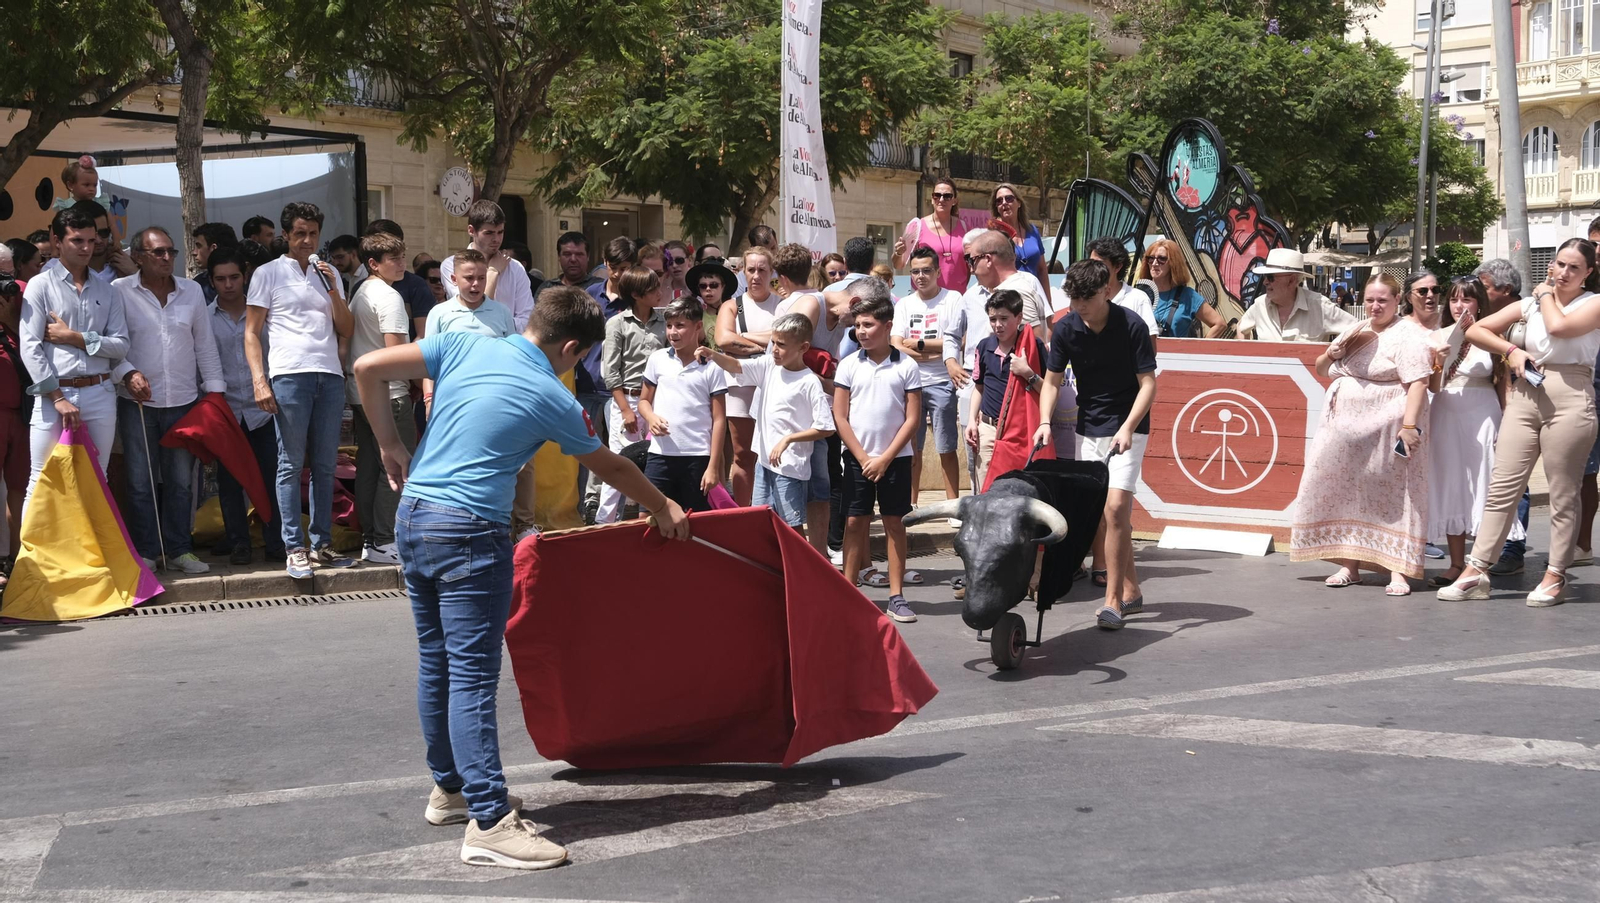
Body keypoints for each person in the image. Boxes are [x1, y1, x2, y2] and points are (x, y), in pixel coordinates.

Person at [352, 285, 691, 872]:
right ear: (570, 346)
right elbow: (609, 463)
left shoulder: (464, 344)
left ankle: (451, 792)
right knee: (472, 679)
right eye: (579, 358)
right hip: (468, 530)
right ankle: (489, 821)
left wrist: (389, 445)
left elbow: (366, 366)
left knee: (438, 662)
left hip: (416, 515)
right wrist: (663, 507)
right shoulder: (552, 395)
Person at [1438, 238, 1600, 607]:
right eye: (1559, 264)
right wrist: (1510, 350)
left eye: (1574, 267)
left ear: (1589, 273)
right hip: (1526, 391)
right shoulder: (1529, 304)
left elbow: (1559, 328)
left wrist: (1542, 296)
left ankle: (1556, 573)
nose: (1563, 272)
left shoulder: (1592, 303)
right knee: (1502, 485)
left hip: (1571, 394)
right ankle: (1476, 569)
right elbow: (1474, 329)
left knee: (1563, 493)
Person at [1291, 273, 1432, 596]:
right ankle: (1349, 564)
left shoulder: (1408, 335)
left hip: (1386, 426)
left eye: (1383, 299)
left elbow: (1418, 385)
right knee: (1348, 492)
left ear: (1398, 300)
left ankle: (1398, 570)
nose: (1375, 305)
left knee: (1394, 494)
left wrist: (1409, 427)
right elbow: (1322, 369)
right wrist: (1332, 354)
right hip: (1344, 429)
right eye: (1370, 299)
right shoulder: (1356, 329)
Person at [1035, 259, 1159, 628]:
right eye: (1072, 299)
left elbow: (1149, 384)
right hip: (1088, 429)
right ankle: (1133, 590)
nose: (1078, 306)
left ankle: (1113, 601)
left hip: (1128, 427)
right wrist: (1044, 421)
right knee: (1108, 514)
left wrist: (1127, 427)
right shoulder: (1066, 327)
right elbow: (1052, 380)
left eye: (1085, 298)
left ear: (1106, 290)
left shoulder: (1132, 325)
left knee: (1116, 507)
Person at [245, 201, 357, 580]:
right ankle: (294, 547)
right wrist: (260, 380)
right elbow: (251, 333)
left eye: (312, 233)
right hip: (289, 374)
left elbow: (346, 328)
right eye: (299, 234)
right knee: (290, 463)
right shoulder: (267, 273)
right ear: (286, 235)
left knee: (326, 463)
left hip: (329, 376)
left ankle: (321, 543)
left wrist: (333, 290)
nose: (306, 240)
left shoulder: (329, 274)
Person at [111, 226, 226, 575]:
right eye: (158, 252)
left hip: (183, 400)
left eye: (170, 252)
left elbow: (204, 345)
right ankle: (146, 550)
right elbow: (110, 343)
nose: (166, 258)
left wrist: (216, 391)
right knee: (140, 479)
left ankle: (179, 549)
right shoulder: (118, 292)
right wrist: (128, 372)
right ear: (138, 257)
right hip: (136, 402)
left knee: (181, 481)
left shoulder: (191, 291)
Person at [20, 205, 129, 505]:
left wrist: (76, 338)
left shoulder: (108, 291)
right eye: (77, 240)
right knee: (42, 480)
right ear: (57, 240)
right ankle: (33, 554)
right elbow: (30, 347)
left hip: (100, 392)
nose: (86, 248)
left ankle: (90, 553)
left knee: (96, 479)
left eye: (91, 241)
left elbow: (121, 346)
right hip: (53, 395)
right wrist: (57, 398)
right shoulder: (40, 286)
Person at [834, 293, 922, 623]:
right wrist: (863, 457)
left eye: (868, 325)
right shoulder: (848, 365)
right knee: (855, 522)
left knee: (894, 524)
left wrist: (885, 458)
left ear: (887, 327)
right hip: (858, 460)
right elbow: (840, 417)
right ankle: (846, 593)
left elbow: (912, 418)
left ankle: (896, 596)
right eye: (857, 325)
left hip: (896, 460)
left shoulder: (907, 366)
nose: (861, 331)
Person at [702, 311, 833, 528]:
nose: (774, 350)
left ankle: (795, 562)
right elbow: (736, 366)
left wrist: (788, 440)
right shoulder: (769, 365)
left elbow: (825, 427)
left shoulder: (809, 381)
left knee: (791, 527)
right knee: (763, 522)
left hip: (790, 468)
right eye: (773, 343)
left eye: (781, 345)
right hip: (764, 463)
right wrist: (714, 355)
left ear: (803, 348)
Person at [1426, 277, 1510, 587]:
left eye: (1467, 300)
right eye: (1454, 300)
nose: (1460, 306)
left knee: (1485, 483)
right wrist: (1437, 360)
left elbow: (1504, 384)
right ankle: (1456, 563)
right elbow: (1434, 386)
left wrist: (1507, 422)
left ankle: (1481, 561)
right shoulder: (1439, 336)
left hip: (1483, 412)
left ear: (1479, 303)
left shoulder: (1492, 335)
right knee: (1453, 485)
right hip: (1447, 411)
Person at [207, 248, 285, 565]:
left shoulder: (264, 313)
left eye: (234, 277)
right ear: (211, 281)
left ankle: (276, 542)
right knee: (229, 483)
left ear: (245, 276)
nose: (228, 285)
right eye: (221, 279)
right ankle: (239, 542)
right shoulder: (205, 317)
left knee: (272, 478)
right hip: (226, 411)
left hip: (264, 409)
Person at [347, 231, 417, 565]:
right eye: (394, 259)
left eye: (403, 256)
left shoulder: (361, 291)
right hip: (390, 394)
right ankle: (385, 539)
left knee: (371, 469)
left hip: (362, 394)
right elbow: (397, 352)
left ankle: (372, 540)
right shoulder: (388, 297)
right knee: (399, 466)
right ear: (374, 264)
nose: (402, 263)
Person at [638, 297, 726, 511]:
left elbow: (719, 419)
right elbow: (643, 401)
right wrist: (650, 417)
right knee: (649, 516)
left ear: (697, 326)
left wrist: (713, 466)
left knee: (696, 522)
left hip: (697, 457)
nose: (673, 332)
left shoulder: (712, 367)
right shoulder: (657, 359)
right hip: (659, 455)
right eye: (669, 326)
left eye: (680, 325)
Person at [597, 266, 667, 523]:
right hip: (627, 399)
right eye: (653, 289)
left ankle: (648, 516)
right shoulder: (617, 324)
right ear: (637, 294)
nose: (659, 292)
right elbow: (611, 372)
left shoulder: (665, 322)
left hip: (658, 401)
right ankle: (605, 522)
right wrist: (625, 409)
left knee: (655, 460)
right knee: (619, 463)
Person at [575, 237, 637, 523]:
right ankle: (585, 507)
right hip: (587, 383)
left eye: (625, 267)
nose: (619, 273)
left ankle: (613, 509)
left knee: (617, 451)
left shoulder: (635, 301)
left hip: (619, 390)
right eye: (614, 267)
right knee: (586, 447)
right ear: (605, 262)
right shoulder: (590, 294)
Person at [893, 246, 962, 503]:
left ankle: (952, 504)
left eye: (926, 270)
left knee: (947, 447)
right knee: (913, 447)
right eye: (915, 272)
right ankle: (910, 504)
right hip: (911, 384)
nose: (920, 276)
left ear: (938, 271)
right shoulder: (904, 305)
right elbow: (896, 345)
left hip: (944, 381)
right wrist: (937, 350)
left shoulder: (953, 299)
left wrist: (918, 345)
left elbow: (958, 341)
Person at [716, 247, 784, 505]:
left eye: (762, 270)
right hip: (739, 386)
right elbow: (723, 339)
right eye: (751, 270)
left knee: (773, 453)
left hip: (773, 385)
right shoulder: (731, 305)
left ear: (771, 272)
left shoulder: (782, 304)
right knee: (743, 455)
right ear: (743, 272)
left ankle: (773, 513)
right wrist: (765, 344)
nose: (756, 276)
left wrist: (742, 339)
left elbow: (785, 339)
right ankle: (744, 514)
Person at [966, 288, 1043, 490]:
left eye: (1004, 318)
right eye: (993, 319)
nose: (998, 325)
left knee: (1019, 489)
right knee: (986, 489)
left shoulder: (1034, 347)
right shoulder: (984, 346)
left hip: (1021, 432)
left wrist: (1027, 373)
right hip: (988, 428)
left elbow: (1050, 391)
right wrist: (971, 422)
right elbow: (979, 388)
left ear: (1019, 318)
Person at [441, 201, 536, 331]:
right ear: (471, 230)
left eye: (500, 232)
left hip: (507, 345)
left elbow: (527, 319)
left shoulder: (515, 268)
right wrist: (493, 271)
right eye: (489, 233)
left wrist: (497, 328)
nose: (496, 239)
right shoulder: (451, 265)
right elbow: (472, 310)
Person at [1237, 248, 1358, 341]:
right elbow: (1241, 328)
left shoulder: (1320, 306)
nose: (1265, 282)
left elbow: (1359, 330)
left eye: (1270, 277)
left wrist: (1337, 357)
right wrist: (1245, 360)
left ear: (1292, 280)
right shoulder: (1260, 305)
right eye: (1265, 277)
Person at [968, 228, 1050, 344]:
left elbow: (1035, 348)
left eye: (972, 260)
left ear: (988, 259)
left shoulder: (1017, 291)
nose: (971, 269)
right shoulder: (1011, 288)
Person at [0, 277, 29, 587]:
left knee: (20, 488)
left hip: (21, 414)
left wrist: (12, 320)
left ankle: (16, 558)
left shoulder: (18, 292)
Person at [892, 179, 969, 293]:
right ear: (932, 199)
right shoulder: (918, 227)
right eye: (937, 195)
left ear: (954, 201)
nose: (941, 199)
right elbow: (898, 265)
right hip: (926, 300)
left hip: (957, 299)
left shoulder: (964, 227)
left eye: (947, 196)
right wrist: (899, 252)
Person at [1136, 239, 1223, 339]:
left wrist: (1199, 349)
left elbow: (1219, 324)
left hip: (1175, 354)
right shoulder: (1139, 294)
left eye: (1162, 259)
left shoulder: (1188, 296)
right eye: (1150, 258)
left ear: (1173, 263)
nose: (1155, 263)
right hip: (1145, 354)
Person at [424, 250, 515, 341]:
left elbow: (512, 351)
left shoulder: (503, 312)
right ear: (454, 279)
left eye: (481, 278)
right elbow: (430, 352)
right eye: (469, 278)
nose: (476, 283)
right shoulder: (439, 313)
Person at [1086, 237, 1158, 337]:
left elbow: (1150, 344)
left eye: (1099, 264)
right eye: (1091, 263)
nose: (1093, 268)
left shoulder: (1138, 299)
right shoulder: (1084, 298)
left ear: (1118, 266)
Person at [686, 259, 737, 349]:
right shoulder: (696, 318)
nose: (708, 289)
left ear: (723, 287)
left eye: (714, 285)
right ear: (699, 289)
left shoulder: (735, 314)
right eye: (703, 286)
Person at [537, 231, 600, 296]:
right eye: (567, 254)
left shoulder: (600, 288)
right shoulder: (547, 288)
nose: (573, 259)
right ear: (559, 257)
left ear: (588, 256)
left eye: (579, 254)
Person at [190, 223, 239, 303]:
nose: (194, 252)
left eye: (199, 246)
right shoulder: (198, 285)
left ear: (213, 248)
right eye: (220, 279)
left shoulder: (253, 282)